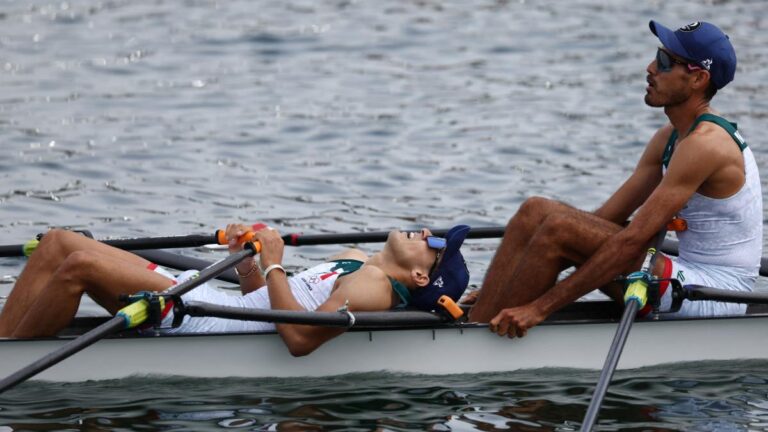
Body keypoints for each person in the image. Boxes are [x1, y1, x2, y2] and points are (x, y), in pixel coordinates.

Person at [468, 20, 762, 337]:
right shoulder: (669, 138)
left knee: (558, 229)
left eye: (665, 62)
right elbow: (604, 220)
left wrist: (540, 307)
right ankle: (480, 320)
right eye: (656, 56)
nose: (650, 68)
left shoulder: (705, 145)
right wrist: (511, 279)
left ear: (697, 79)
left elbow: (631, 241)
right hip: (681, 276)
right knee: (536, 211)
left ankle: (481, 338)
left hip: (715, 296)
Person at [0, 224, 470, 356]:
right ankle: (7, 344)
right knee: (60, 241)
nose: (425, 232)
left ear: (422, 277)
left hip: (201, 322)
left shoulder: (373, 286)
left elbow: (299, 340)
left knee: (78, 264)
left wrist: (273, 266)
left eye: (434, 245)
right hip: (217, 303)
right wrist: (249, 256)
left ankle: (13, 359)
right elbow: (260, 300)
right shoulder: (359, 260)